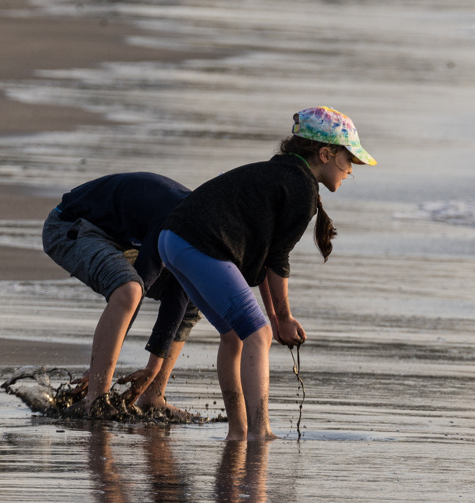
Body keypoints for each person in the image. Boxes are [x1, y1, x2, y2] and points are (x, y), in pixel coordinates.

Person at [159, 106, 375, 441]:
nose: (350, 170)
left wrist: (275, 319)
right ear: (325, 154)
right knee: (257, 335)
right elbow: (278, 260)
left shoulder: (281, 174)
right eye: (349, 160)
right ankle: (260, 431)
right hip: (201, 244)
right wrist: (283, 318)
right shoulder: (301, 188)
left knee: (236, 334)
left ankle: (239, 431)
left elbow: (262, 265)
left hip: (172, 240)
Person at [42, 173, 201, 415]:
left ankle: (153, 396)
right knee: (129, 289)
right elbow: (141, 285)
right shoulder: (176, 218)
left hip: (124, 240)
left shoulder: (202, 228)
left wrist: (153, 368)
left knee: (193, 295)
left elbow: (180, 292)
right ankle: (96, 399)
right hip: (71, 226)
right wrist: (99, 368)